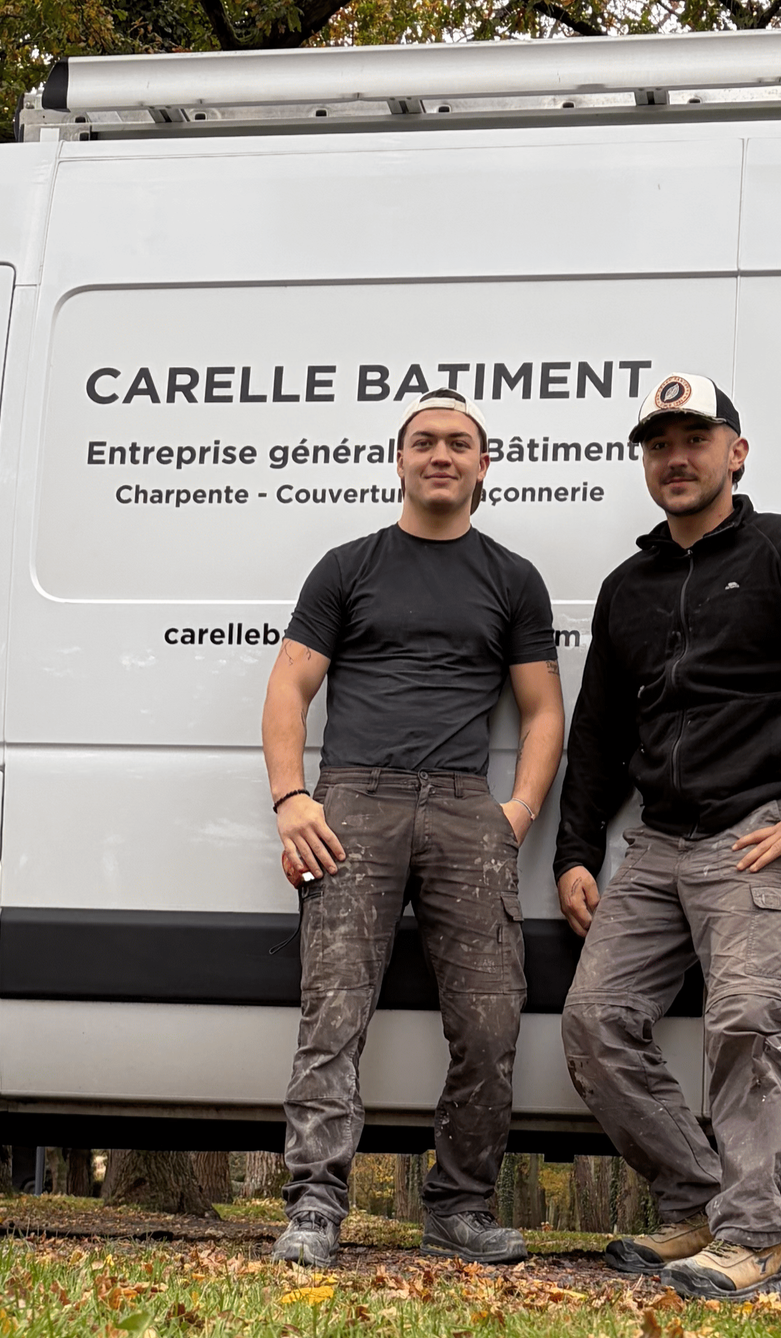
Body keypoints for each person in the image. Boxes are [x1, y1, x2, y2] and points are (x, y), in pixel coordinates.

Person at [555, 372, 781, 1300]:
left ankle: (755, 1241)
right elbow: (596, 732)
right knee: (594, 1024)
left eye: (695, 439)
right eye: (659, 444)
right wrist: (575, 851)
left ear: (735, 453)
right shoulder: (628, 586)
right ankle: (700, 1204)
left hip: (756, 833)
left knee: (749, 1024)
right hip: (657, 842)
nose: (676, 457)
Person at [262, 389, 566, 1267]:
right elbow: (290, 687)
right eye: (425, 441)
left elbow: (543, 712)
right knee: (334, 1013)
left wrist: (514, 814)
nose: (442, 454)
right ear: (399, 461)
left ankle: (458, 1207)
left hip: (468, 806)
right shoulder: (349, 566)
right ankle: (315, 1209)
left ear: (482, 465)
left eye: (459, 443)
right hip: (353, 802)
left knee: (490, 1020)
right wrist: (293, 800)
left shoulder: (511, 577)